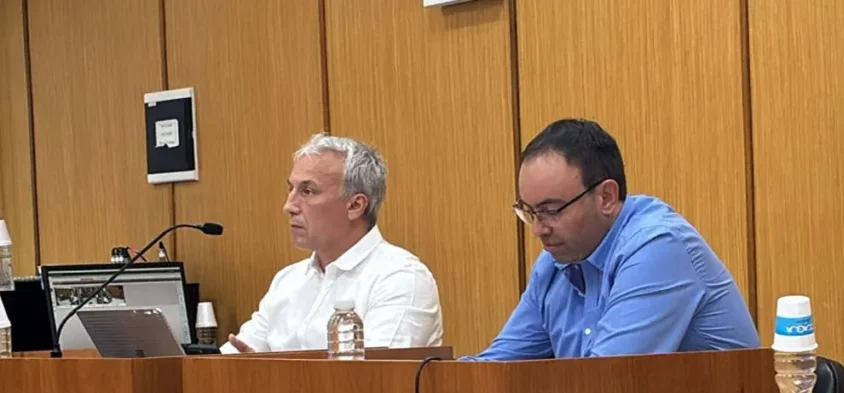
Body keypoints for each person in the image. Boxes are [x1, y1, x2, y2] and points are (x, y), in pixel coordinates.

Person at [463, 118, 759, 361]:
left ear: (606, 197)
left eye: (552, 210)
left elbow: (604, 383)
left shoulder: (658, 246)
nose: (538, 229)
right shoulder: (554, 264)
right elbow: (498, 369)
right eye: (530, 212)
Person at [222, 133, 443, 353]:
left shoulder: (400, 278)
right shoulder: (287, 281)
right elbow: (236, 356)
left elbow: (375, 372)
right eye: (291, 189)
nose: (289, 206)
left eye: (307, 191)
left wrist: (265, 371)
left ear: (355, 206)